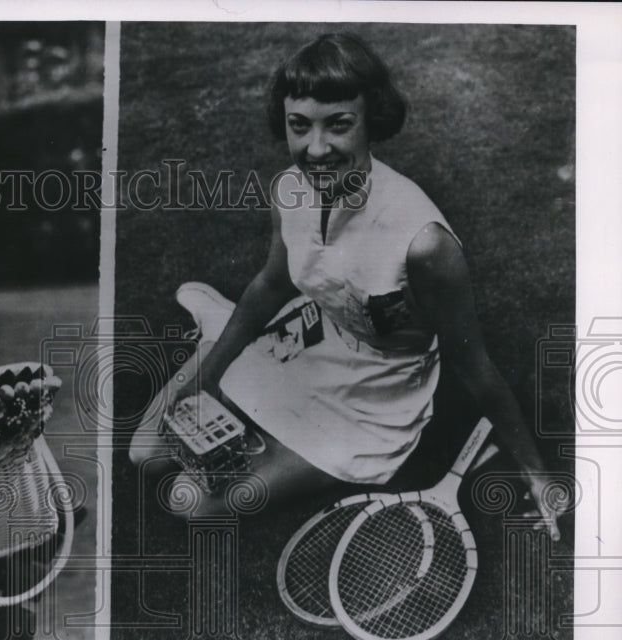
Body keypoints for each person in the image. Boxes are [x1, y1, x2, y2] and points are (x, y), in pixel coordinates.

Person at [129, 33, 559, 539]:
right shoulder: (289, 189)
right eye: (299, 126)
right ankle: (218, 334)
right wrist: (204, 377)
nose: (316, 149)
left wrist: (536, 472)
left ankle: (223, 342)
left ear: (369, 121)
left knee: (196, 505)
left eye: (338, 125)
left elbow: (474, 365)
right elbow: (271, 284)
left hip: (374, 403)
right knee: (146, 454)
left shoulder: (424, 244)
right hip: (311, 343)